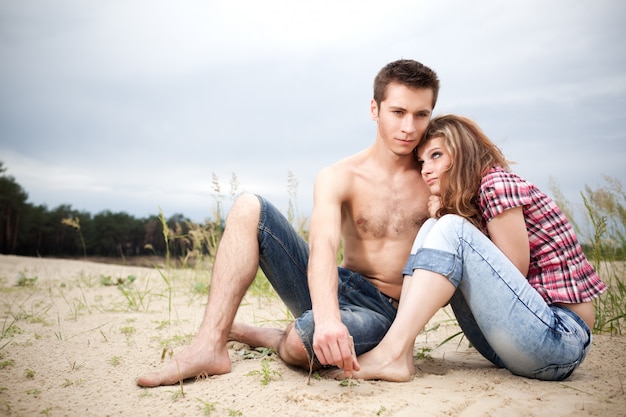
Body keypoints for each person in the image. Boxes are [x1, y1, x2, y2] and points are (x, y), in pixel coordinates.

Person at [136, 59, 440, 387]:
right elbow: (322, 245)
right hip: (337, 283)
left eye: (421, 115)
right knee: (247, 207)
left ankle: (270, 336)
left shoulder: (435, 178)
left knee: (300, 344)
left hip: (383, 309)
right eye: (398, 112)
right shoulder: (340, 176)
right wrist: (327, 318)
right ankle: (209, 345)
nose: (409, 127)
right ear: (374, 109)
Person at [341, 114, 607, 382]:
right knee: (433, 227)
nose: (426, 169)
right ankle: (400, 353)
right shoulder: (473, 201)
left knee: (449, 226)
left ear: (462, 154)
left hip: (559, 340)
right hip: (506, 346)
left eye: (436, 156)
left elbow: (514, 271)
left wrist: (447, 216)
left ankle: (391, 352)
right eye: (422, 162)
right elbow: (453, 285)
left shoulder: (496, 184)